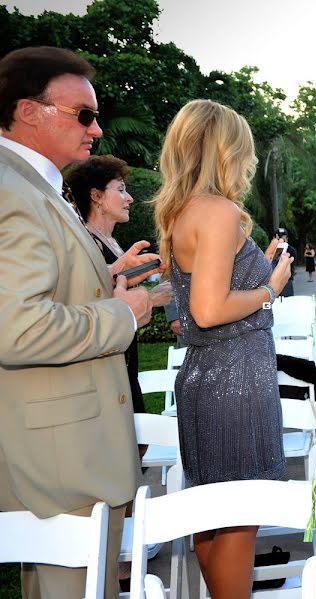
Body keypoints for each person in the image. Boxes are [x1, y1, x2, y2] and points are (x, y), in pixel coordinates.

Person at [0, 46, 156, 598]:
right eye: (83, 114)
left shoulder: (35, 186)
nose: (96, 129)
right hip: (60, 467)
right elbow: (15, 328)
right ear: (28, 110)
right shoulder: (13, 192)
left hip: (69, 455)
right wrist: (122, 313)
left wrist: (104, 280)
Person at [153, 99, 293, 597]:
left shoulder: (179, 210)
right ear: (225, 150)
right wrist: (271, 286)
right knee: (238, 516)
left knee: (213, 519)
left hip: (206, 376)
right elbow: (209, 310)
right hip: (234, 384)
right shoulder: (218, 211)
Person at [65, 155, 175, 416]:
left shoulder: (110, 243)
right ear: (96, 196)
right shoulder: (86, 243)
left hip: (124, 362)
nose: (130, 198)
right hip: (106, 368)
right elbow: (91, 303)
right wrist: (152, 298)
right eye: (121, 189)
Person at [274, 228, 298, 297]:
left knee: (288, 301)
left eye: (283, 236)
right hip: (273, 281)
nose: (281, 238)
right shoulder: (272, 250)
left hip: (287, 280)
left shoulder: (291, 250)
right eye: (279, 236)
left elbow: (292, 263)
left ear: (287, 237)